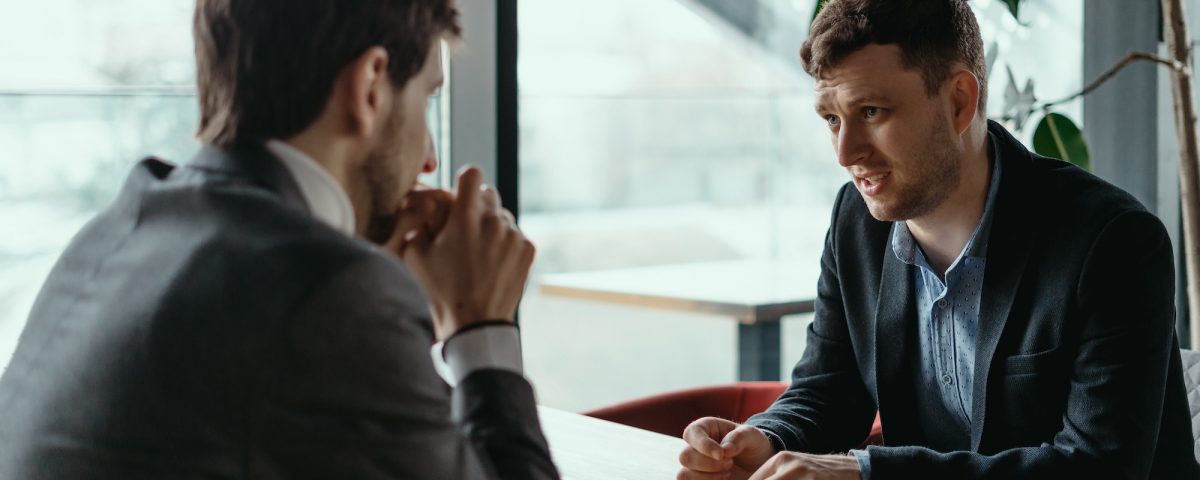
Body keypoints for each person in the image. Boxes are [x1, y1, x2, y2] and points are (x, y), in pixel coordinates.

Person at [0, 1, 560, 478]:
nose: (430, 157)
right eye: (426, 100)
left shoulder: (119, 229)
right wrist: (480, 326)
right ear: (369, 87)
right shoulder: (326, 296)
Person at [678, 0, 1200, 478]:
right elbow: (829, 389)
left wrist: (868, 474)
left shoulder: (1113, 243)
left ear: (959, 101)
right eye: (832, 119)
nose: (846, 152)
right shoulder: (855, 223)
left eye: (872, 112)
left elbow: (1098, 468)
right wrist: (768, 438)